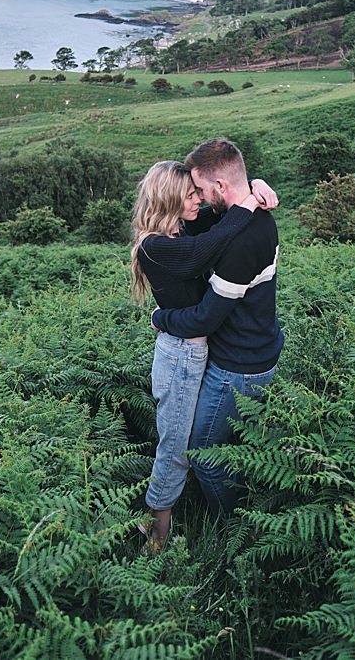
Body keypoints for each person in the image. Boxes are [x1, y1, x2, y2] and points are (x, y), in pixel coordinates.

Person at [130, 160, 275, 550]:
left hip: (193, 354)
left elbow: (217, 214)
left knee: (183, 446)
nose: (198, 199)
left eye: (198, 192)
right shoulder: (155, 246)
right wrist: (245, 206)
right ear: (170, 198)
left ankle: (160, 525)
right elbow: (204, 250)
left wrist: (253, 188)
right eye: (190, 194)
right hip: (180, 356)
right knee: (176, 450)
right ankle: (157, 535)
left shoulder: (179, 229)